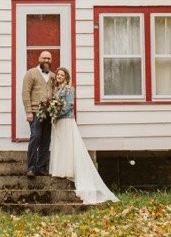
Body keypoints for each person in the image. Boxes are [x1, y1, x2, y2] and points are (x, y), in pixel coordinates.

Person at [47, 67, 118, 204]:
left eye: (62, 75)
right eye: (58, 75)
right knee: (60, 145)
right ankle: (60, 170)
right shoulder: (56, 90)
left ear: (66, 77)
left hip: (66, 120)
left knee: (67, 145)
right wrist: (52, 112)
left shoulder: (69, 89)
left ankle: (68, 170)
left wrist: (57, 113)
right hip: (59, 122)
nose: (59, 76)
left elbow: (69, 105)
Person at [21, 50, 55, 176]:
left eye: (49, 58)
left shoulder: (52, 76)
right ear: (39, 59)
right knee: (35, 137)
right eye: (44, 58)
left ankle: (40, 167)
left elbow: (55, 93)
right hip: (35, 112)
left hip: (49, 112)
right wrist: (28, 112)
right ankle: (31, 168)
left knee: (46, 140)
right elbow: (25, 93)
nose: (46, 60)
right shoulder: (31, 73)